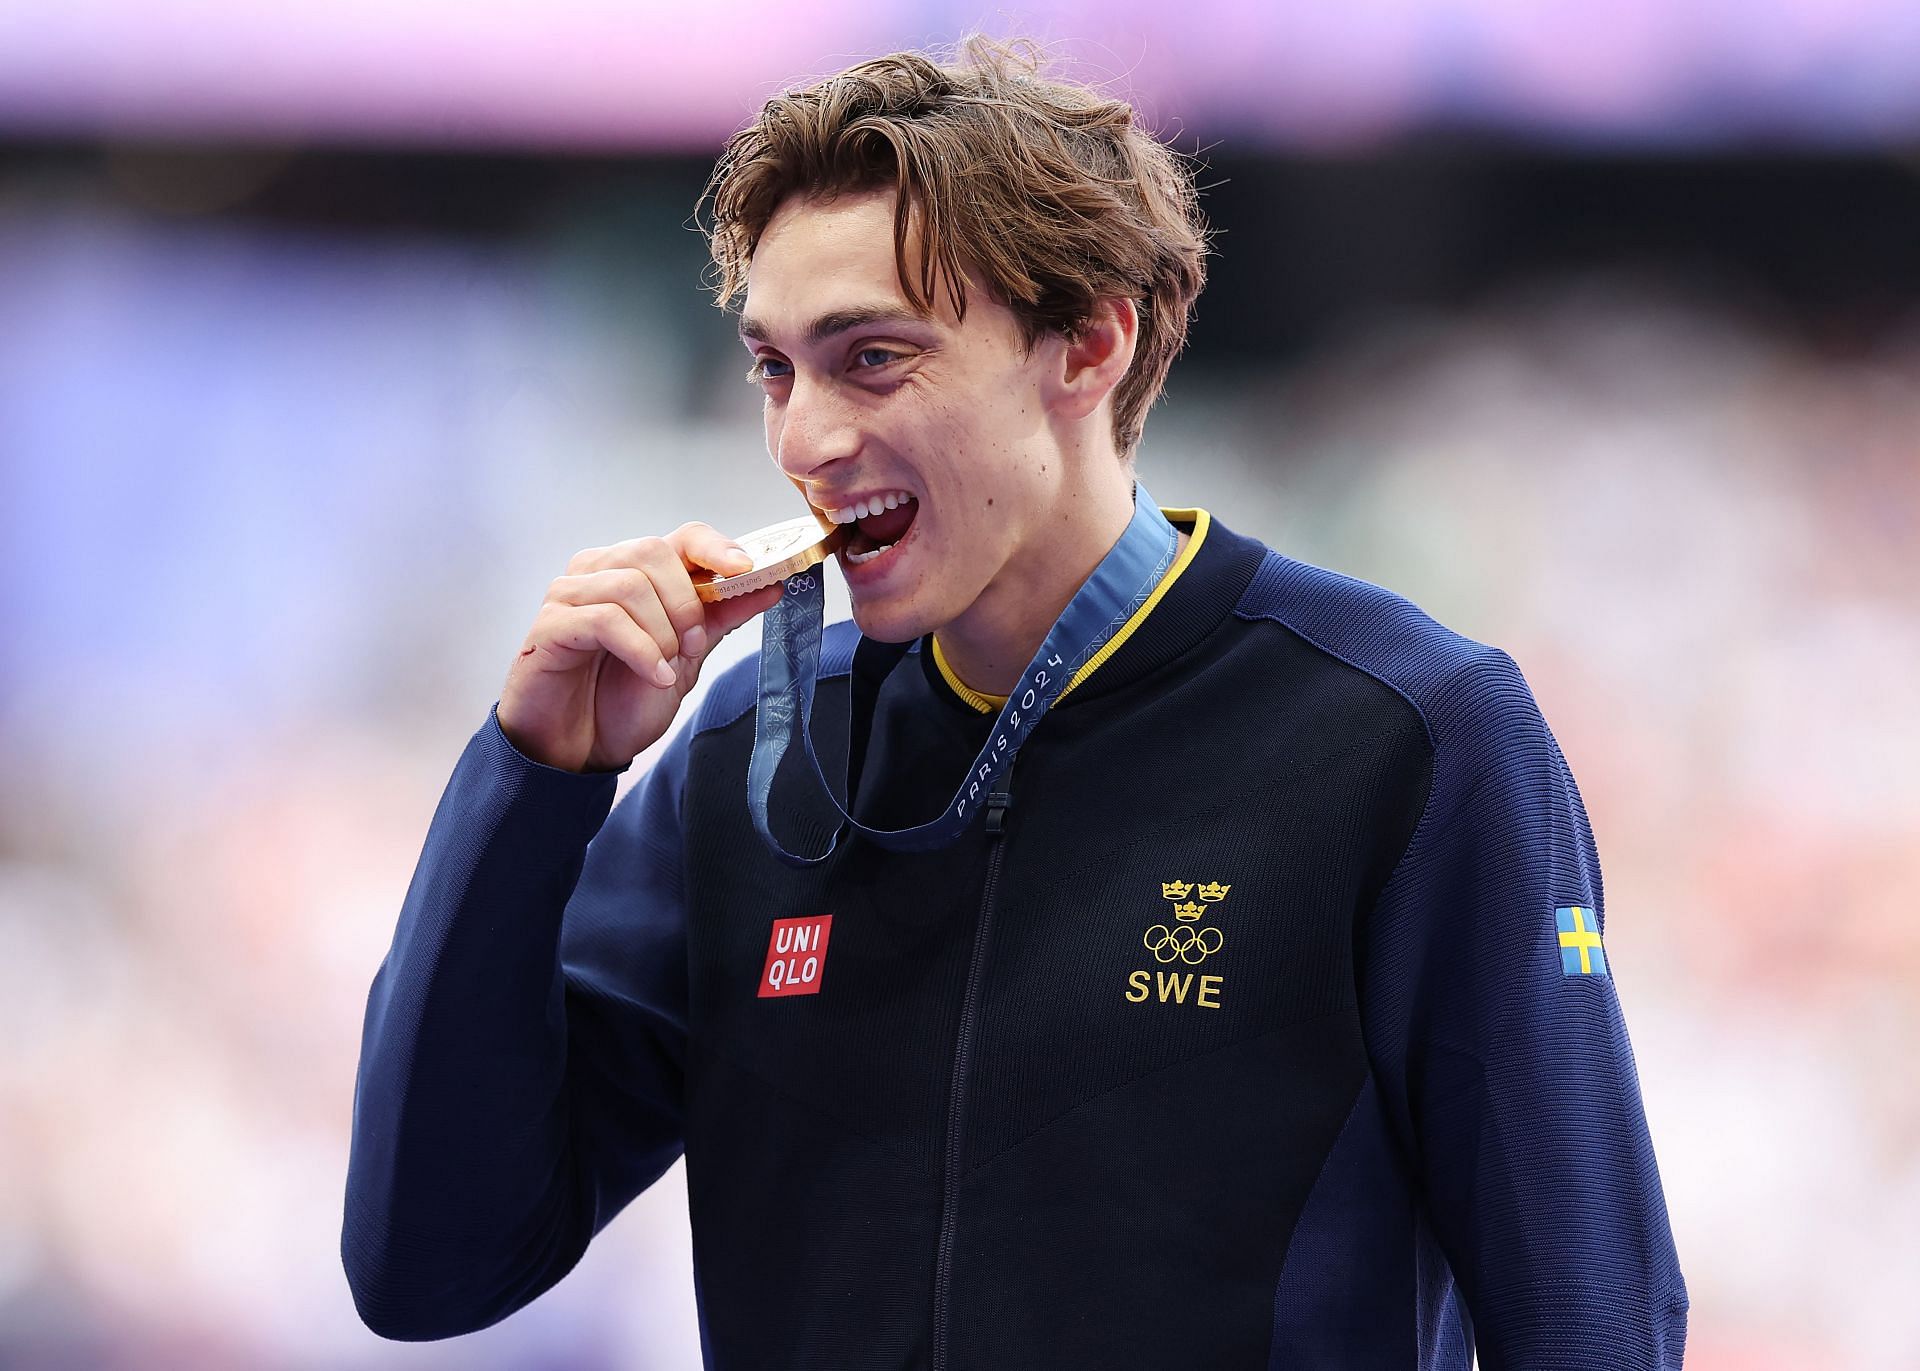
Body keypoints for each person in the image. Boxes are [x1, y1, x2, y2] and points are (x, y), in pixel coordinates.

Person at [342, 36, 1689, 1369]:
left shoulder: (1405, 728)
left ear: (1088, 342)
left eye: (872, 357)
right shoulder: (758, 749)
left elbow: (1588, 1323)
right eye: (775, 367)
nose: (805, 438)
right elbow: (428, 1265)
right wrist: (532, 780)